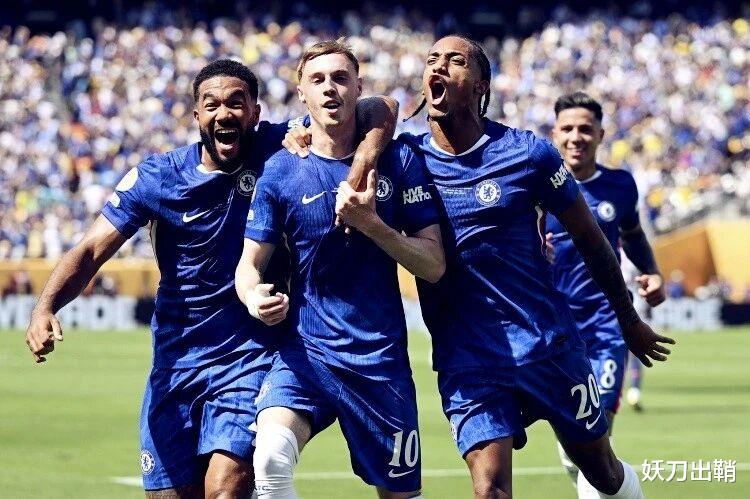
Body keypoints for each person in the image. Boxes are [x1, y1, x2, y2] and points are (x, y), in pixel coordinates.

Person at [25, 58, 397, 498]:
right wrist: (46, 306)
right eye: (212, 104)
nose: (224, 114)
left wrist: (364, 159)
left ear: (255, 113)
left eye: (236, 103)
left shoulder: (280, 147)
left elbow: (381, 106)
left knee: (226, 488)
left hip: (250, 358)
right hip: (175, 363)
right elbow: (90, 249)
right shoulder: (158, 178)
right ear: (196, 114)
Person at [399, 36, 674, 499]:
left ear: (481, 85)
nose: (439, 67)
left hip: (547, 346)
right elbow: (364, 116)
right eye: (432, 60)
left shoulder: (528, 154)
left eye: (455, 61)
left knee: (602, 474)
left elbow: (592, 240)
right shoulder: (406, 160)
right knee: (490, 490)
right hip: (468, 359)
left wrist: (629, 320)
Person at [236, 39, 444, 499]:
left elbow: (433, 265)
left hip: (378, 362)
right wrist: (254, 296)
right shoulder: (280, 171)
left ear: (358, 88)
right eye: (318, 79)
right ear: (301, 92)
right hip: (306, 352)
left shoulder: (399, 161)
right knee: (269, 458)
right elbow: (249, 265)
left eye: (340, 78)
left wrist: (373, 225)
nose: (330, 88)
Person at [546, 92, 667, 492]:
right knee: (575, 453)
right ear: (554, 134)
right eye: (567, 129)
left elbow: (632, 234)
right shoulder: (536, 187)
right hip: (554, 333)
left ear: (600, 134)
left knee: (596, 437)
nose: (576, 137)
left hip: (606, 327)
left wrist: (651, 271)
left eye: (585, 129)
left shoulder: (620, 185)